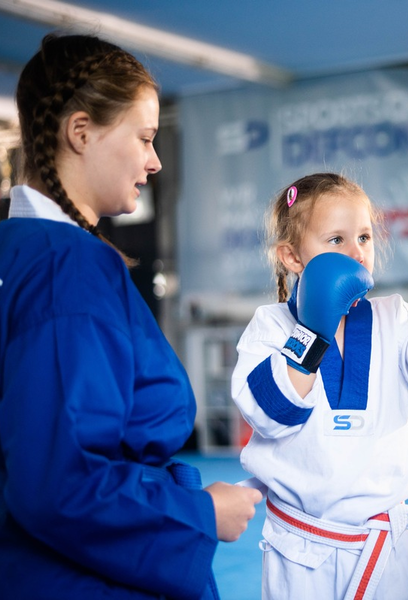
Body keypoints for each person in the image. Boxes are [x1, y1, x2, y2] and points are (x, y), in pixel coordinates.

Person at [0, 33, 262, 599]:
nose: (155, 160)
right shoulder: (66, 267)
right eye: (144, 138)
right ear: (80, 132)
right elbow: (58, 480)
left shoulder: (18, 252)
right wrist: (199, 513)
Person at [230, 172, 408, 599]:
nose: (356, 253)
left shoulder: (393, 318)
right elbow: (271, 414)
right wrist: (312, 331)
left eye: (364, 237)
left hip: (386, 550)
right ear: (292, 257)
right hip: (302, 552)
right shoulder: (271, 325)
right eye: (336, 240)